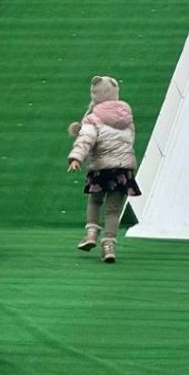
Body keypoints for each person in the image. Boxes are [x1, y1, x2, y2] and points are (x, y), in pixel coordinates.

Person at [66, 75, 141, 264]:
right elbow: (130, 140)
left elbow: (86, 140)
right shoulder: (126, 117)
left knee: (95, 201)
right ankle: (109, 247)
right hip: (123, 170)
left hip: (101, 168)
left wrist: (76, 157)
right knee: (113, 210)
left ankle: (91, 233)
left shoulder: (93, 119)